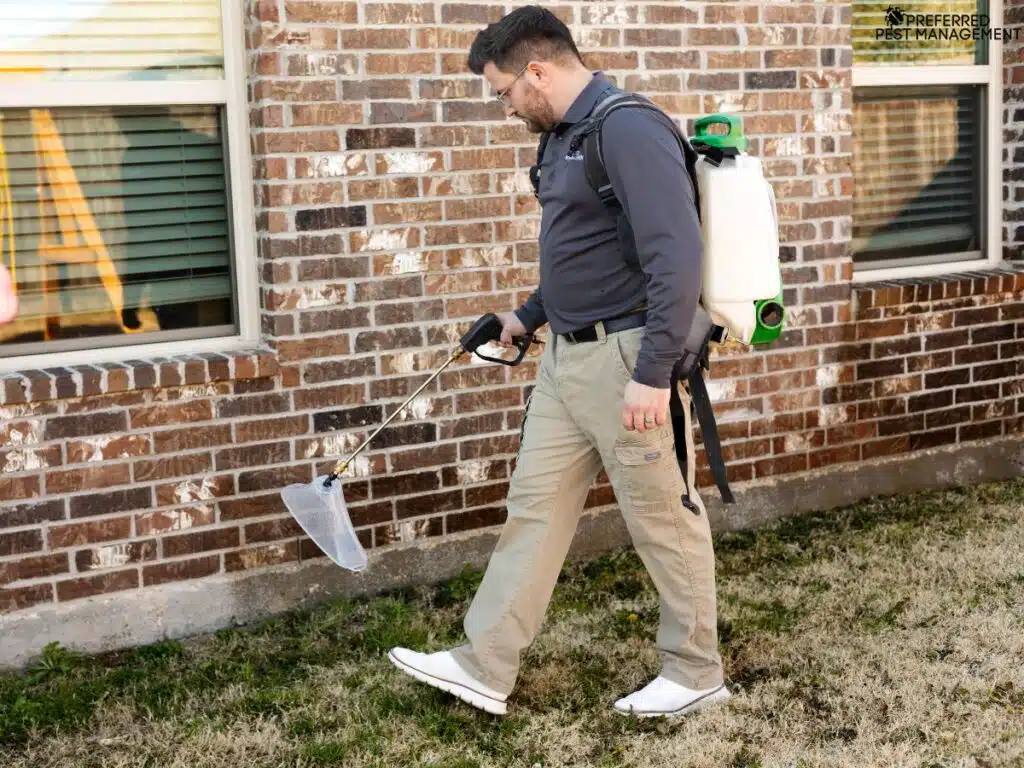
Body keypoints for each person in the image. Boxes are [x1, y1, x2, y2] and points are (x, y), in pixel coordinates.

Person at [388, 5, 730, 719]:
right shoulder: (566, 136)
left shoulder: (628, 128)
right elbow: (585, 250)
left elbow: (677, 256)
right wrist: (527, 316)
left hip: (628, 359)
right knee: (533, 513)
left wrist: (652, 373)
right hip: (565, 360)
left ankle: (695, 671)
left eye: (506, 91)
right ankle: (484, 665)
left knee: (663, 519)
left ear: (537, 72)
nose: (506, 107)